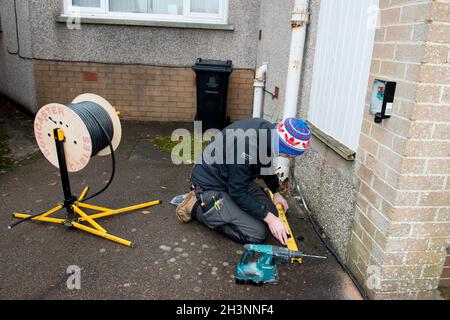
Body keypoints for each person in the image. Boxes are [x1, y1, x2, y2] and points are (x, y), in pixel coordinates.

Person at [176, 117, 311, 245]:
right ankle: (195, 206)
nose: (290, 158)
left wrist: (276, 192)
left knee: (273, 212)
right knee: (256, 232)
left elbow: (265, 164)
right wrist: (270, 219)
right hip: (210, 184)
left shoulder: (270, 134)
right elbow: (237, 192)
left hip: (232, 179)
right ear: (283, 145)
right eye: (289, 154)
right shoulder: (247, 147)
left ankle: (231, 209)